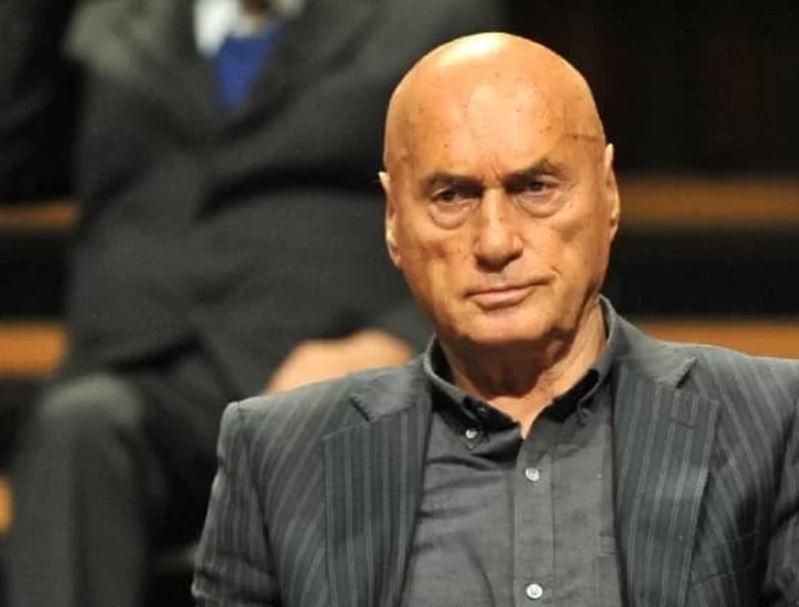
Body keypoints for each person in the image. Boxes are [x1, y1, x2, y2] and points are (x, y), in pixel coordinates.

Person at [192, 32, 799, 606]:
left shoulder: (768, 422)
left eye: (535, 187)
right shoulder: (278, 455)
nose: (496, 241)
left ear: (608, 194)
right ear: (393, 221)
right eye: (451, 196)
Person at [1, 0, 503, 605]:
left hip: (328, 366)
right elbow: (14, 159)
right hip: (138, 373)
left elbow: (492, 207)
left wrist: (400, 337)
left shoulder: (428, 19)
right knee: (76, 429)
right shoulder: (106, 22)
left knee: (354, 448)